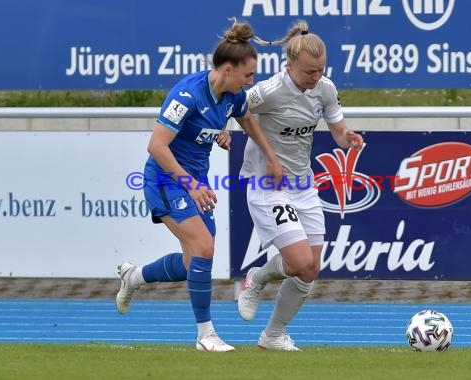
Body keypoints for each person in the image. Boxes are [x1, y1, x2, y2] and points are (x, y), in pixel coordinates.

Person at [115, 19, 284, 352]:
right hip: (167, 179)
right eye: (248, 75)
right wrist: (191, 184)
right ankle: (205, 335)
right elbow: (157, 146)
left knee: (195, 262)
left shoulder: (232, 96)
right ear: (226, 69)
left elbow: (246, 118)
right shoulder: (187, 95)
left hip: (196, 182)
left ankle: (134, 277)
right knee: (205, 249)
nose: (252, 82)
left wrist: (270, 156)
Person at [237, 20, 364, 351]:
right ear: (289, 64)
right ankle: (256, 279)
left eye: (320, 69)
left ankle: (273, 336)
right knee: (296, 261)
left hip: (303, 183)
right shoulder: (269, 91)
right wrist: (223, 133)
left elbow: (337, 129)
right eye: (309, 71)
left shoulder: (325, 88)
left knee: (310, 269)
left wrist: (347, 138)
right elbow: (234, 108)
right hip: (267, 182)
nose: (316, 77)